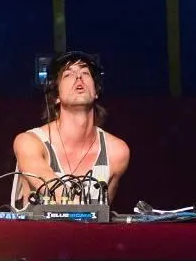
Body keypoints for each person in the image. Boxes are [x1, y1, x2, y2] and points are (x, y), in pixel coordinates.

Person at [13, 51, 130, 207]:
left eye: (85, 73)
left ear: (96, 92)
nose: (78, 77)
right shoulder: (29, 142)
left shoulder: (116, 152)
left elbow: (102, 217)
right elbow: (54, 189)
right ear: (56, 96)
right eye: (68, 74)